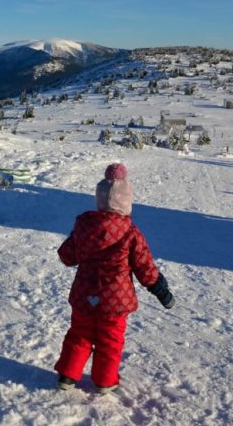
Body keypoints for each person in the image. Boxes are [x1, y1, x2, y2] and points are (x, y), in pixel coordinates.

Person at [54, 163, 175, 395]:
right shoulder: (131, 233)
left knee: (79, 333)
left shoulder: (83, 226)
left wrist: (78, 240)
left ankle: (67, 375)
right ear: (126, 204)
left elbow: (66, 256)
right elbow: (145, 267)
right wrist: (162, 291)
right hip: (115, 300)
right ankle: (104, 381)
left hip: (83, 295)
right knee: (110, 340)